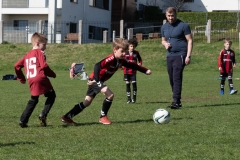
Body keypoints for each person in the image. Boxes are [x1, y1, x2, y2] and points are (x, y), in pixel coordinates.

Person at [61, 38, 151, 125]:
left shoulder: (121, 61)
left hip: (96, 80)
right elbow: (97, 66)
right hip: (96, 80)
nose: (124, 54)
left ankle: (67, 117)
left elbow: (132, 65)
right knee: (110, 94)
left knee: (87, 102)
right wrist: (97, 81)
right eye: (122, 51)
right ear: (115, 50)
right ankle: (103, 117)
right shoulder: (111, 58)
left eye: (125, 51)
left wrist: (145, 70)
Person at [14, 32, 56, 128]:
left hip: (31, 79)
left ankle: (23, 121)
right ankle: (43, 115)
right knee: (52, 95)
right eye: (44, 44)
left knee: (34, 99)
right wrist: (52, 74)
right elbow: (44, 66)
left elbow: (16, 65)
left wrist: (21, 78)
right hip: (40, 77)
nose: (45, 47)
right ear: (37, 43)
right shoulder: (39, 52)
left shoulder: (27, 55)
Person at [161, 7, 193, 109]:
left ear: (176, 15)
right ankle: (176, 99)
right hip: (170, 55)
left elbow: (190, 41)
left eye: (172, 16)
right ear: (166, 15)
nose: (171, 18)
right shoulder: (164, 27)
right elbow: (163, 40)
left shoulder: (183, 25)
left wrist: (188, 56)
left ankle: (176, 101)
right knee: (171, 79)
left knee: (176, 77)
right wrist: (165, 43)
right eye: (169, 16)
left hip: (181, 54)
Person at [123, 38, 142, 103]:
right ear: (128, 46)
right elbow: (120, 60)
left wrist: (140, 64)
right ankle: (128, 99)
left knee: (134, 84)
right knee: (127, 84)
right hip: (126, 71)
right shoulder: (125, 52)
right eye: (131, 46)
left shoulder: (136, 53)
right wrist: (120, 66)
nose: (132, 47)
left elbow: (140, 60)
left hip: (133, 71)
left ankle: (134, 98)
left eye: (134, 46)